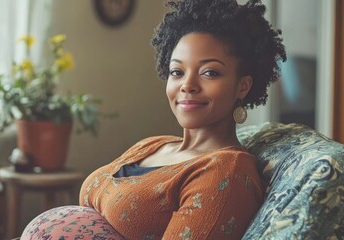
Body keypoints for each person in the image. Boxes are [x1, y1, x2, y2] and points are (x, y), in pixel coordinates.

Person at [21, 0, 286, 239]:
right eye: (177, 71)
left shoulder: (226, 173)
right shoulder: (153, 145)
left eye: (210, 72)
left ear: (243, 86)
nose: (188, 85)